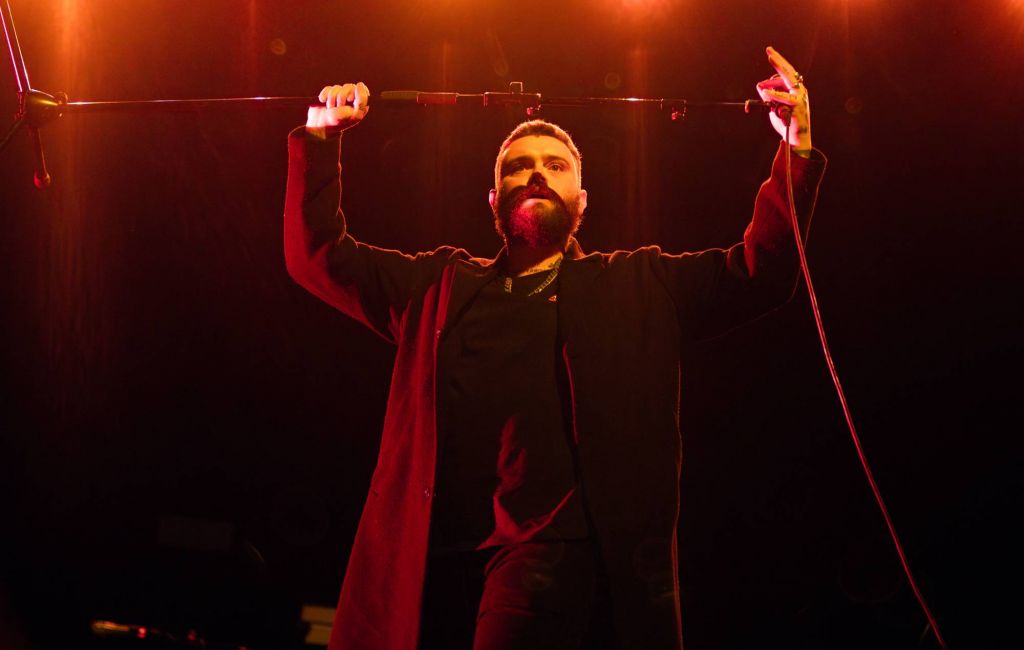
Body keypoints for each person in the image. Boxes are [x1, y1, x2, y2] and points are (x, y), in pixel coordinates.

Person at [284, 46, 826, 650]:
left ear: (583, 201)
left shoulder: (639, 286)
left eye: (555, 165)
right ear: (493, 202)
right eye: (518, 167)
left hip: (550, 558)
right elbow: (320, 258)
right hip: (433, 556)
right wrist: (321, 136)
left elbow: (762, 271)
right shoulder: (436, 288)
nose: (536, 173)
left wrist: (794, 148)